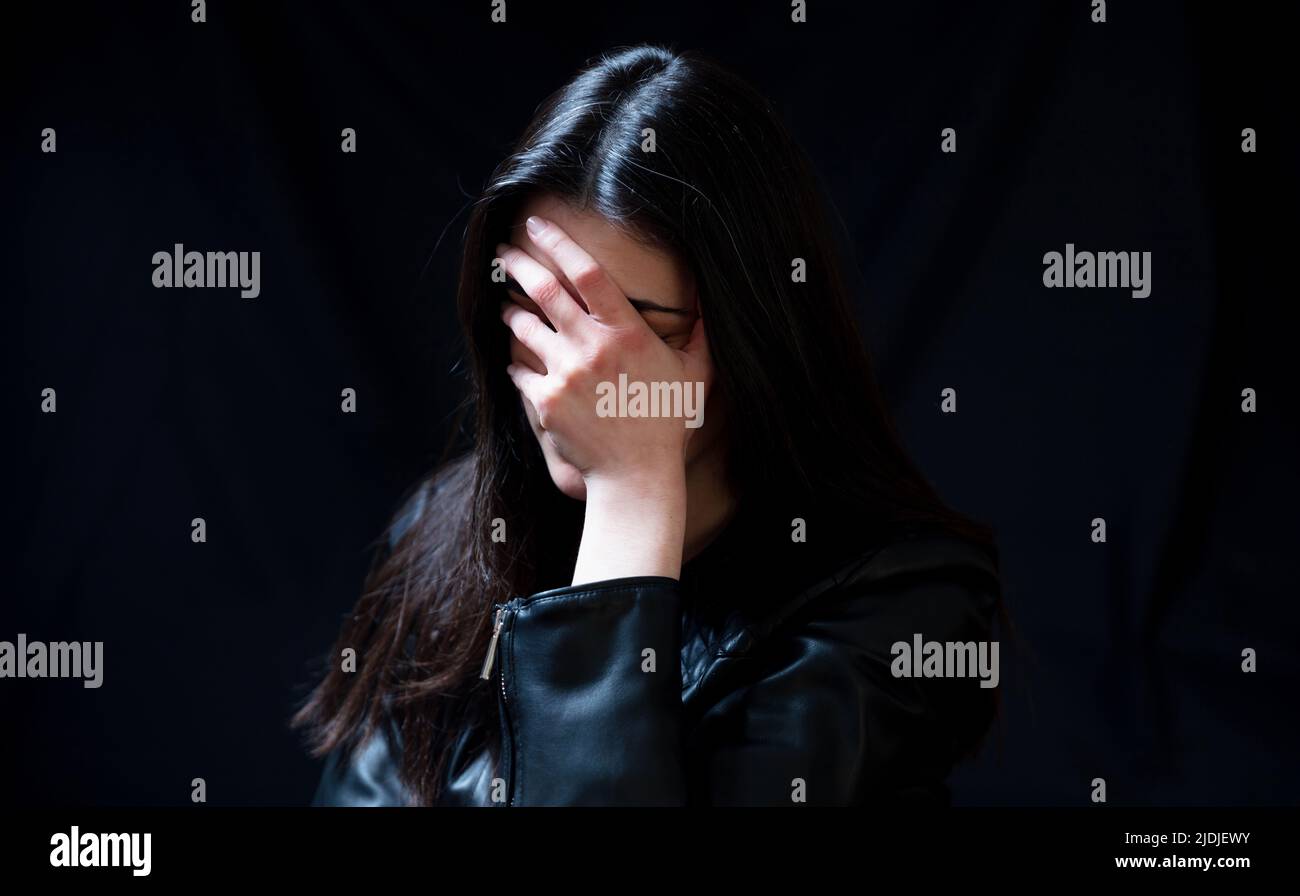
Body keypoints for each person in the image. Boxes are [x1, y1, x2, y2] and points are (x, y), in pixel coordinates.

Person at [294, 44, 1002, 806]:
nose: (572, 374)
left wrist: (631, 491)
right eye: (541, 317)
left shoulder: (903, 603)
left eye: (632, 331)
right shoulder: (444, 531)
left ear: (751, 331)